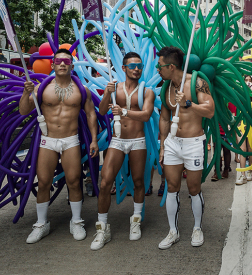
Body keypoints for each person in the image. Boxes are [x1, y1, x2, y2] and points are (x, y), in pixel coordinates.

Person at [20, 49, 99, 244]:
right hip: (48, 141)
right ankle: (41, 224)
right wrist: (25, 92)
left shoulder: (83, 90)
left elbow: (91, 114)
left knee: (74, 180)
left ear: (72, 65)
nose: (62, 64)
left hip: (71, 139)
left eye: (66, 61)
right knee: (44, 181)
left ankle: (77, 221)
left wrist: (94, 139)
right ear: (52, 65)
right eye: (58, 61)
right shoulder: (40, 89)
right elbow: (23, 110)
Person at [90, 52, 156, 250]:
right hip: (117, 141)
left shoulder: (147, 91)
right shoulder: (114, 88)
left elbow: (145, 116)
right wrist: (106, 94)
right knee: (105, 183)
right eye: (132, 65)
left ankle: (135, 221)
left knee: (138, 182)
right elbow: (102, 111)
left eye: (139, 65)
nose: (137, 68)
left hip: (138, 141)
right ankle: (102, 229)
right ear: (124, 68)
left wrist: (124, 111)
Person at [156, 47, 215, 249]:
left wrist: (189, 104)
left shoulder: (197, 82)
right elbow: (164, 118)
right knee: (171, 188)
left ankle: (197, 228)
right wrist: (163, 145)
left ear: (171, 66)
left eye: (160, 65)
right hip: (173, 143)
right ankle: (173, 231)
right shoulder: (166, 87)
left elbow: (210, 110)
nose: (157, 69)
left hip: (193, 143)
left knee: (193, 188)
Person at [235, 76, 252, 185]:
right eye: (246, 80)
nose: (248, 82)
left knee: (250, 148)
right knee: (242, 148)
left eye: (250, 80)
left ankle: (250, 172)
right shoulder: (239, 92)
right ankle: (242, 174)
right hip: (240, 123)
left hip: (250, 123)